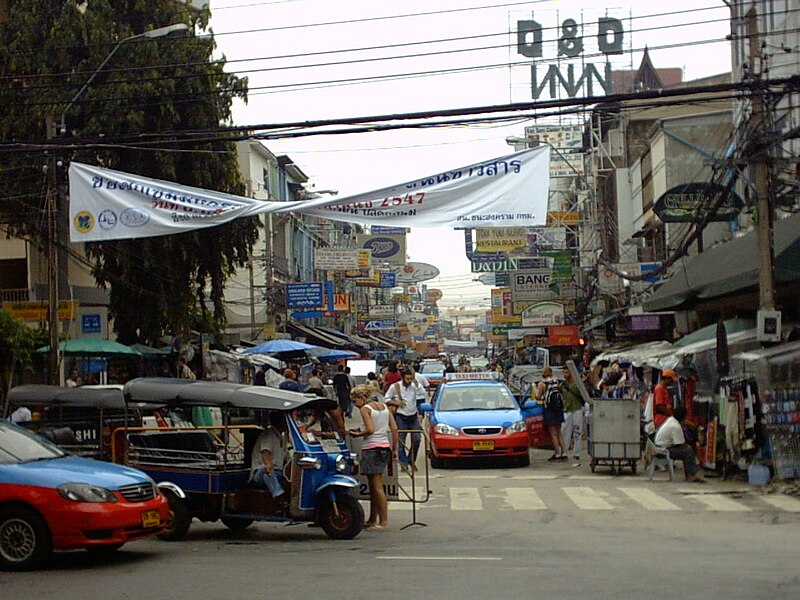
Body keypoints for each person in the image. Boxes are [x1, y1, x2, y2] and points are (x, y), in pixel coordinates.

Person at [349, 385, 398, 530]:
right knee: (374, 485)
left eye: (354, 401)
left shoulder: (366, 409)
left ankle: (383, 521)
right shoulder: (384, 407)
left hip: (372, 447)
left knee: (376, 486)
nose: (354, 405)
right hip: (384, 446)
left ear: (361, 398)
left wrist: (357, 434)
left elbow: (370, 430)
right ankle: (372, 519)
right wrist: (394, 449)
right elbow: (394, 429)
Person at [384, 369, 422, 473]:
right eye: (407, 379)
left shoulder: (415, 386)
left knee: (417, 439)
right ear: (403, 378)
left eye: (411, 378)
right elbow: (386, 399)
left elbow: (421, 396)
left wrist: (420, 414)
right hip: (401, 416)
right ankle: (403, 463)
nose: (409, 381)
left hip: (413, 416)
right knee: (401, 442)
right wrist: (396, 403)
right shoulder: (395, 387)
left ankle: (411, 460)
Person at [654, 405, 704, 483]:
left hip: (659, 447)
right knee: (688, 451)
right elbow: (681, 444)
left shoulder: (671, 419)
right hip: (663, 451)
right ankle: (690, 475)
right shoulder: (676, 426)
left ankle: (690, 473)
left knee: (687, 450)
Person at [250, 412, 290, 499]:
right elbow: (265, 452)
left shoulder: (281, 438)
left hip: (278, 471)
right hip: (260, 472)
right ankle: (278, 494)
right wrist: (269, 467)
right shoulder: (269, 435)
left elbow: (287, 457)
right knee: (266, 472)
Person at [537, 367, 566, 461]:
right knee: (559, 432)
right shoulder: (555, 382)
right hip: (558, 409)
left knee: (553, 433)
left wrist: (534, 388)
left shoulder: (542, 384)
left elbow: (538, 397)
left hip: (549, 409)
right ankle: (564, 452)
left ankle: (557, 453)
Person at [560, 366, 585, 462]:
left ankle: (577, 453)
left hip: (577, 408)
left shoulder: (577, 383)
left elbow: (582, 393)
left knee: (577, 431)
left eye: (567, 372)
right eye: (564, 373)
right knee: (564, 430)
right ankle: (564, 451)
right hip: (567, 409)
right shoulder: (563, 384)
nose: (565, 375)